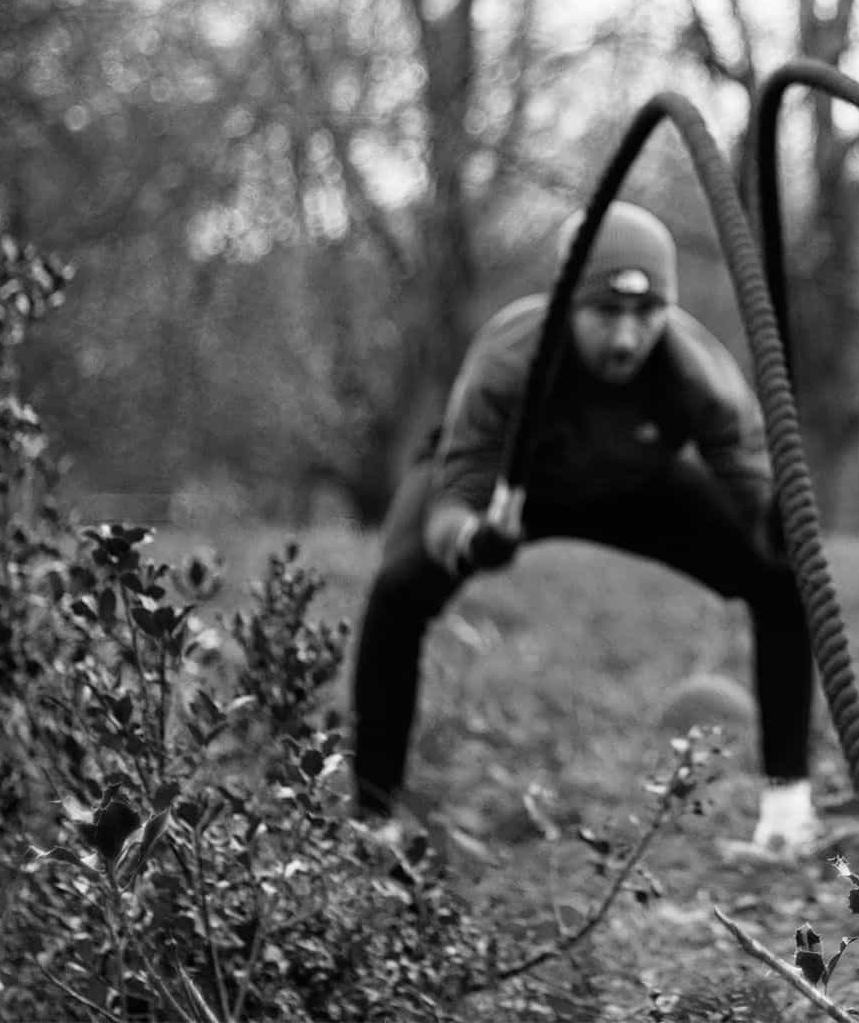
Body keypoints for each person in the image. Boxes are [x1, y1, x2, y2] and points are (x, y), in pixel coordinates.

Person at [349, 201, 820, 856]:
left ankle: (787, 817)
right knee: (397, 592)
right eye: (606, 313)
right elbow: (453, 505)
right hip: (509, 491)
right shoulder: (510, 358)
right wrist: (474, 541)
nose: (627, 339)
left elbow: (753, 494)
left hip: (635, 482)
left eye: (647, 313)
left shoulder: (696, 373)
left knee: (782, 582)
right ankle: (372, 820)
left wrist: (778, 521)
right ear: (565, 303)